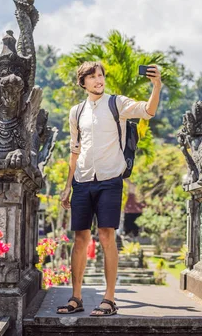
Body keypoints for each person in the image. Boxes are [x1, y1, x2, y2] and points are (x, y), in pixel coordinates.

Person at [57, 61, 161, 316]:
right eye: (92, 77)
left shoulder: (118, 103)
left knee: (106, 236)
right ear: (83, 83)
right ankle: (76, 297)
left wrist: (156, 86)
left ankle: (109, 299)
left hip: (110, 179)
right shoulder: (76, 112)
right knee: (80, 239)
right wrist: (67, 186)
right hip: (82, 180)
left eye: (100, 75)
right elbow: (74, 150)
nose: (98, 79)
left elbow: (148, 111)